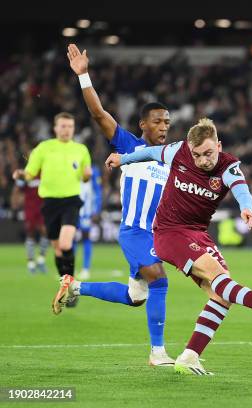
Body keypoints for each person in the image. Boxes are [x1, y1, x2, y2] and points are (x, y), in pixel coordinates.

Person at [96, 117, 252, 376]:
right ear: (190, 150)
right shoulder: (178, 151)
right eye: (197, 155)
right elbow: (150, 152)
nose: (203, 160)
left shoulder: (228, 166)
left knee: (222, 293)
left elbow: (241, 187)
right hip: (169, 234)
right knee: (219, 277)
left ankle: (189, 356)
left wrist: (247, 208)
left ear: (219, 146)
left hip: (198, 235)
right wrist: (123, 159)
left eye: (208, 153)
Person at [55, 43, 174, 367]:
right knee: (159, 280)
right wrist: (83, 76)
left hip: (156, 236)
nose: (164, 126)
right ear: (143, 126)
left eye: (167, 122)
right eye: (158, 121)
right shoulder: (128, 145)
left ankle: (76, 286)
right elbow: (98, 114)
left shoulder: (171, 159)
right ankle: (158, 353)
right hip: (135, 232)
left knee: (137, 296)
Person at [12, 112, 92, 298]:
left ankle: (72, 287)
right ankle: (65, 286)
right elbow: (30, 173)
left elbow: (85, 176)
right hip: (49, 204)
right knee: (57, 249)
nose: (66, 130)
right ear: (55, 128)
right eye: (63, 126)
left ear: (73, 128)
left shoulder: (81, 150)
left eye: (70, 127)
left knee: (65, 244)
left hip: (71, 201)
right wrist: (21, 174)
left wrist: (87, 175)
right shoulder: (43, 148)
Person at [12, 176, 49, 274]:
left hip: (42, 208)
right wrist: (15, 207)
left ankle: (41, 259)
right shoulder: (26, 173)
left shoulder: (44, 171)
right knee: (30, 233)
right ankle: (31, 263)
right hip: (30, 209)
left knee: (45, 231)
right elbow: (17, 190)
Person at [75, 164, 103, 280]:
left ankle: (86, 269)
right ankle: (70, 268)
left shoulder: (93, 170)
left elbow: (98, 191)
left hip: (86, 211)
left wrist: (96, 209)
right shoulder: (73, 167)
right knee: (71, 237)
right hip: (73, 209)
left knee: (85, 237)